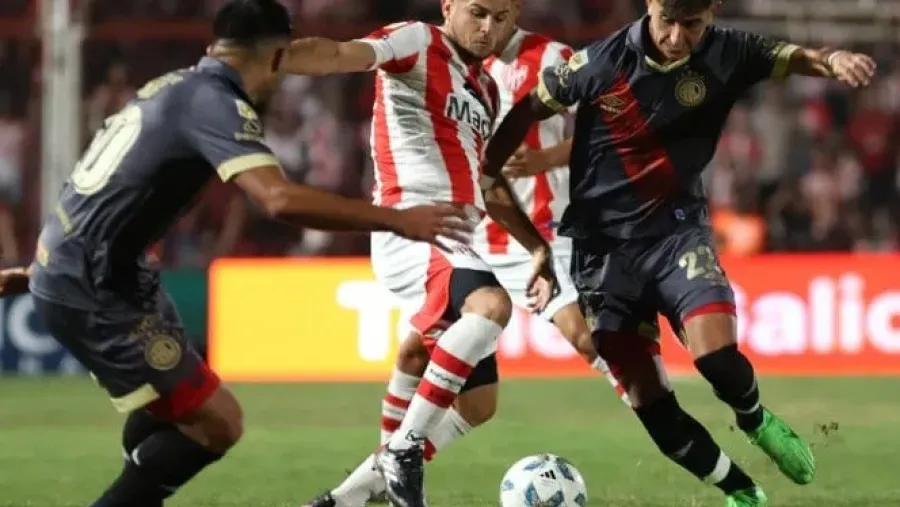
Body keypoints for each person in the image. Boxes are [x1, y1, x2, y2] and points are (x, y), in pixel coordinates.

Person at [22, 0, 478, 505]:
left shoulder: (172, 86)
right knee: (218, 423)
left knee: (179, 408)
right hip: (97, 285)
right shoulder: (216, 103)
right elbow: (277, 199)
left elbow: (104, 189)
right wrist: (398, 220)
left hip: (97, 269)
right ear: (279, 56)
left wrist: (43, 264)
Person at [481, 0, 876, 506]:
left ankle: (754, 418)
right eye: (667, 21)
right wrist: (488, 167)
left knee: (716, 357)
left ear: (711, 13)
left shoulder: (729, 51)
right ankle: (741, 491)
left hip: (677, 234)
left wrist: (832, 60)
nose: (675, 37)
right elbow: (529, 108)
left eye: (691, 25)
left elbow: (791, 56)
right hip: (603, 255)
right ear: (650, 5)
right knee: (648, 400)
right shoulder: (601, 62)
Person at [301, 9, 635, 507]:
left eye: (499, 17)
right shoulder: (416, 41)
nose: (487, 28)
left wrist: (536, 246)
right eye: (477, 12)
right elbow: (338, 54)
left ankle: (347, 498)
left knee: (475, 400)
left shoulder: (486, 89)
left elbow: (487, 182)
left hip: (460, 240)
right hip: (414, 225)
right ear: (448, 6)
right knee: (492, 307)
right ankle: (402, 449)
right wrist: (274, 58)